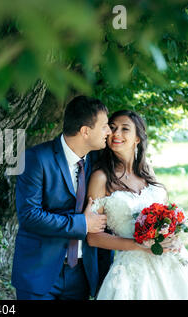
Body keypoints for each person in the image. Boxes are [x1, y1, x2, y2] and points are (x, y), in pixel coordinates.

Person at [11, 95, 113, 300]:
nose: (109, 132)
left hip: (82, 275)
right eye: (104, 126)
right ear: (85, 131)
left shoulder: (98, 162)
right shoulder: (36, 158)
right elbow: (29, 215)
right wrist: (82, 223)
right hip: (39, 272)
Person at [87, 109, 188, 299]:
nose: (116, 134)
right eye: (112, 128)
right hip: (132, 271)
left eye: (125, 129)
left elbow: (165, 214)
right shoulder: (101, 177)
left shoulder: (147, 172)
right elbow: (93, 238)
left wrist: (172, 234)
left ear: (138, 138)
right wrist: (140, 245)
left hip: (170, 262)